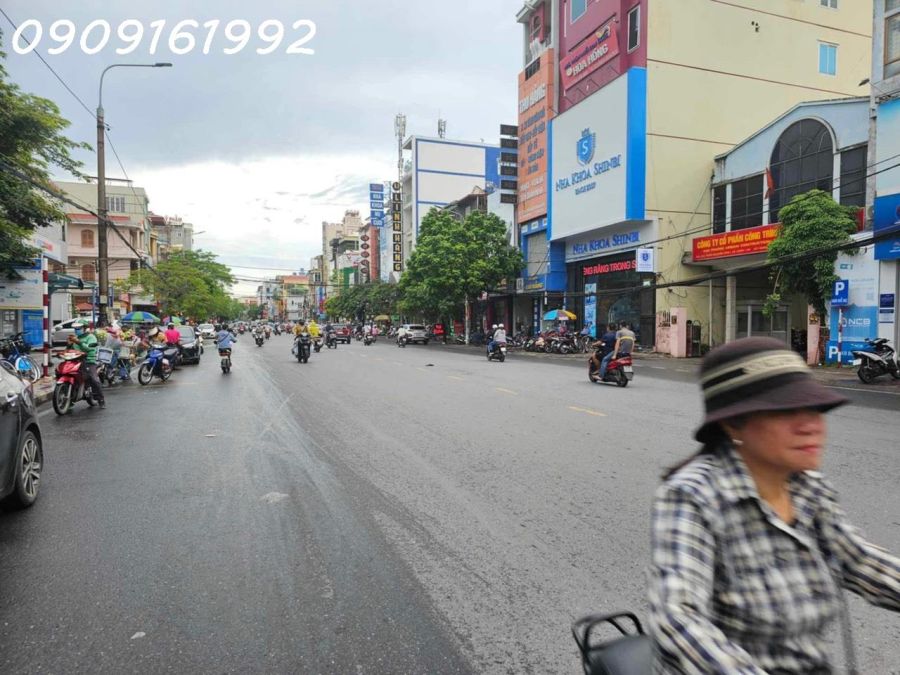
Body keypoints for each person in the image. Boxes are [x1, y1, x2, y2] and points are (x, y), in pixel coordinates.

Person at [648, 337, 900, 674]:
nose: (810, 425)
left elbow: (860, 561)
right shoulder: (692, 495)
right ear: (733, 422)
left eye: (814, 408)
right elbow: (677, 620)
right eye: (785, 411)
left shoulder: (808, 488)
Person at [67, 322, 105, 408]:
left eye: (79, 328)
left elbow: (89, 348)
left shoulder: (91, 337)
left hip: (88, 361)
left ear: (84, 328)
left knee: (94, 379)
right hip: (75, 361)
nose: (76, 330)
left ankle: (101, 399)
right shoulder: (75, 338)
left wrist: (79, 342)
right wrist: (69, 345)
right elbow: (69, 350)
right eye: (75, 329)